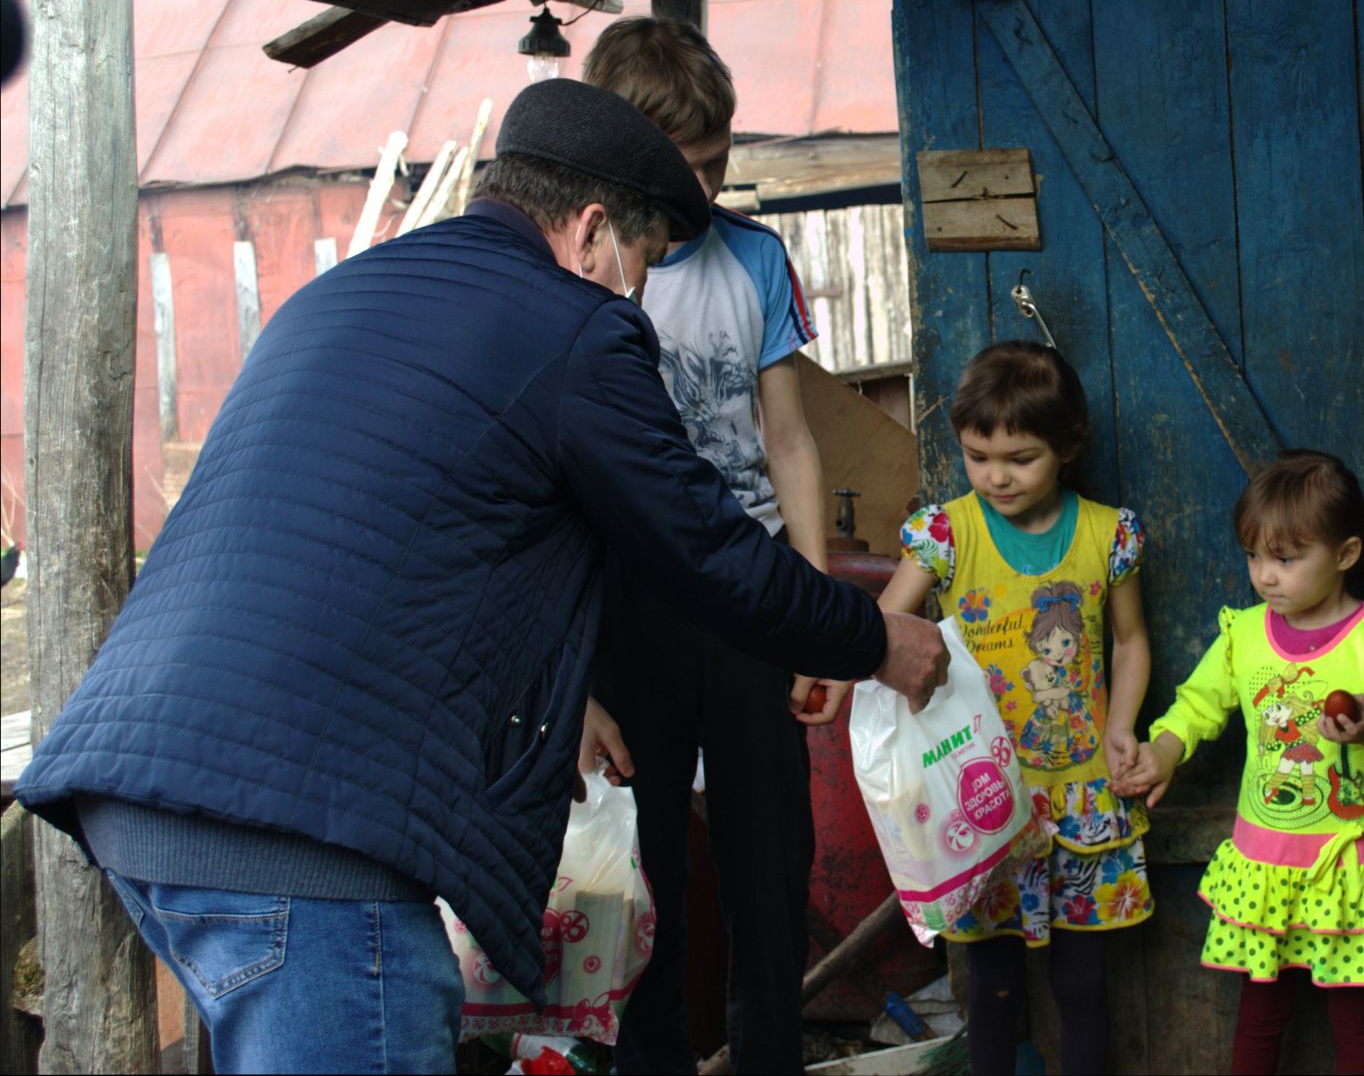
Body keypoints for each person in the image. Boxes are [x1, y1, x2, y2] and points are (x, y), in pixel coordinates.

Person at [12, 79, 948, 1075]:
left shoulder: (343, 296)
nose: (635, 294)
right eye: (640, 264)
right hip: (305, 839)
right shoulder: (573, 326)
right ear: (591, 233)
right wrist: (878, 636)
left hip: (145, 803)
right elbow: (707, 547)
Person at [578, 16, 839, 1074]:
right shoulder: (589, 269)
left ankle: (771, 1053)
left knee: (768, 863)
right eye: (682, 166)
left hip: (751, 595)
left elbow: (789, 436)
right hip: (636, 606)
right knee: (645, 875)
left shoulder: (756, 258)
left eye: (718, 160)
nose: (704, 184)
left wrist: (820, 611)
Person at [1114, 451, 1364, 1076]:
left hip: (1349, 869)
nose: (1265, 576)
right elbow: (1197, 704)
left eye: (1286, 559)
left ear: (1345, 555)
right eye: (1254, 556)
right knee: (1259, 1015)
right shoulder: (1244, 634)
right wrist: (1164, 750)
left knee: (1356, 1023)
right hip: (1264, 866)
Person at [878, 341, 1154, 1076]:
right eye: (977, 455)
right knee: (994, 987)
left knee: (1082, 981)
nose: (996, 476)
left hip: (1081, 792)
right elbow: (882, 632)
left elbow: (1129, 642)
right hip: (984, 800)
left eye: (1021, 458)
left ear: (1067, 447)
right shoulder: (944, 534)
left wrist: (1122, 723)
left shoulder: (1108, 534)